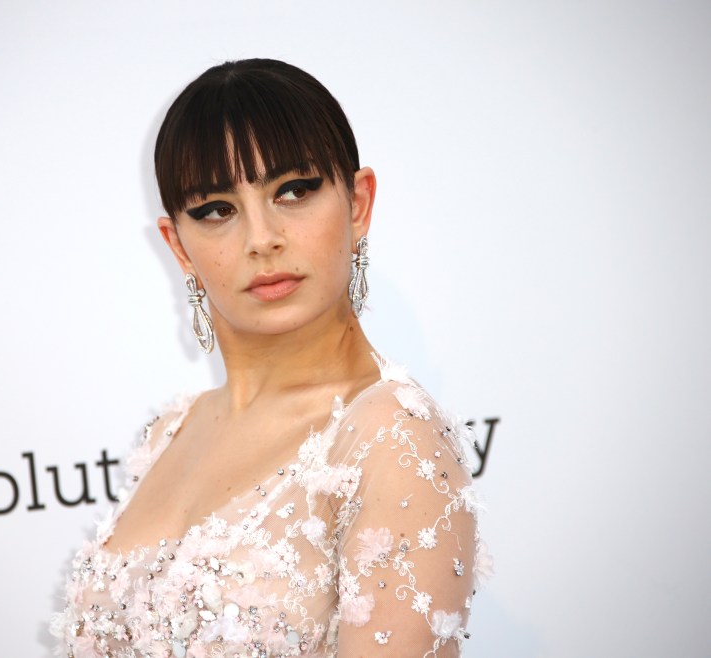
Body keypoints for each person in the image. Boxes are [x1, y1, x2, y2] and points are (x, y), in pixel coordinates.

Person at [51, 58, 489, 658]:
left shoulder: (392, 439)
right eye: (216, 210)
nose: (261, 238)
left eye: (294, 191)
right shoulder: (170, 431)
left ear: (358, 203)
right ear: (178, 244)